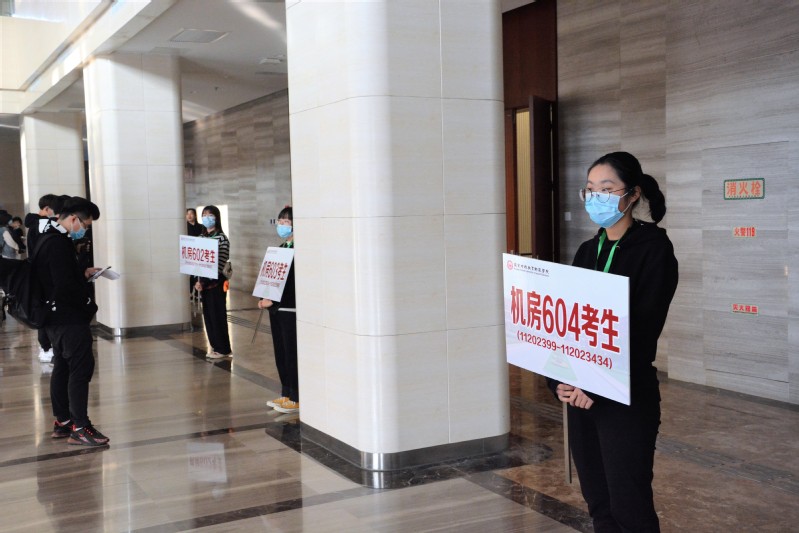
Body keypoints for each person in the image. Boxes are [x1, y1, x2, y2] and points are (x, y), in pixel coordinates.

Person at [547, 152, 678, 532]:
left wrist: (594, 383)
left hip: (625, 397)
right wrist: (560, 380)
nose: (596, 198)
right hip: (582, 398)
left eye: (606, 189)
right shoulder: (588, 251)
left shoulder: (654, 250)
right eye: (590, 190)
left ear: (632, 195)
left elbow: (643, 329)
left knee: (629, 506)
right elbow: (567, 326)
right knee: (599, 504)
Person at [35, 196, 109, 447]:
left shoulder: (47, 238)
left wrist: (82, 273)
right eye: (85, 225)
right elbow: (64, 285)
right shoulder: (59, 243)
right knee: (80, 368)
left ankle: (64, 421)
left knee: (62, 366)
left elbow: (57, 277)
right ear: (75, 219)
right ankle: (81, 427)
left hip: (54, 318)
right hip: (68, 318)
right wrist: (87, 302)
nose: (84, 230)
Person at [259, 206, 298, 414]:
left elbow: (292, 284)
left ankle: (296, 396)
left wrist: (273, 301)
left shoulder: (299, 249)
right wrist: (263, 297)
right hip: (276, 309)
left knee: (292, 354)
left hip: (290, 308)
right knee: (280, 353)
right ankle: (286, 392)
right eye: (280, 221)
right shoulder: (281, 248)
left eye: (287, 222)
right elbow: (271, 278)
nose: (282, 225)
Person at [25, 194, 63, 364]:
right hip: (43, 276)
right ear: (47, 209)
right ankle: (46, 348)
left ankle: (46, 347)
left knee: (45, 310)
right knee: (46, 311)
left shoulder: (36, 225)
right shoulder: (42, 226)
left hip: (40, 274)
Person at [194, 205, 232, 359]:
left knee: (218, 315)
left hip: (216, 284)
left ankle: (223, 348)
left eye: (210, 215)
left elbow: (219, 264)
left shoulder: (222, 238)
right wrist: (197, 281)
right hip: (203, 284)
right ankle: (216, 346)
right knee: (209, 316)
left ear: (216, 218)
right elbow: (196, 262)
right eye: (204, 215)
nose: (206, 218)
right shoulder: (201, 237)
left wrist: (204, 281)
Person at [186, 208, 203, 298]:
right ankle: (190, 292)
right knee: (192, 273)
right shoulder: (184, 227)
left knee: (198, 272)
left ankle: (197, 293)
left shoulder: (201, 227)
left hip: (199, 253)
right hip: (189, 253)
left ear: (195, 215)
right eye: (187, 214)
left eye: (191, 214)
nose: (189, 216)